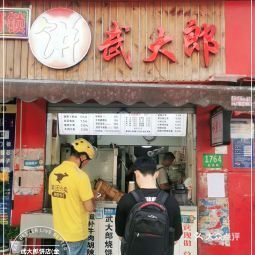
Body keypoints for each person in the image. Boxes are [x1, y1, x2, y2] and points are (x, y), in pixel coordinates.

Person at [115, 156, 183, 255]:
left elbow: (120, 234)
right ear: (157, 174)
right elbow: (175, 238)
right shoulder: (171, 201)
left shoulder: (126, 200)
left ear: (136, 173)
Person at [49, 138, 96, 255]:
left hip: (59, 234)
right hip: (76, 235)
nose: (86, 163)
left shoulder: (54, 172)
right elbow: (89, 207)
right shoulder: (81, 176)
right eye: (88, 160)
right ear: (83, 157)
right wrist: (93, 198)